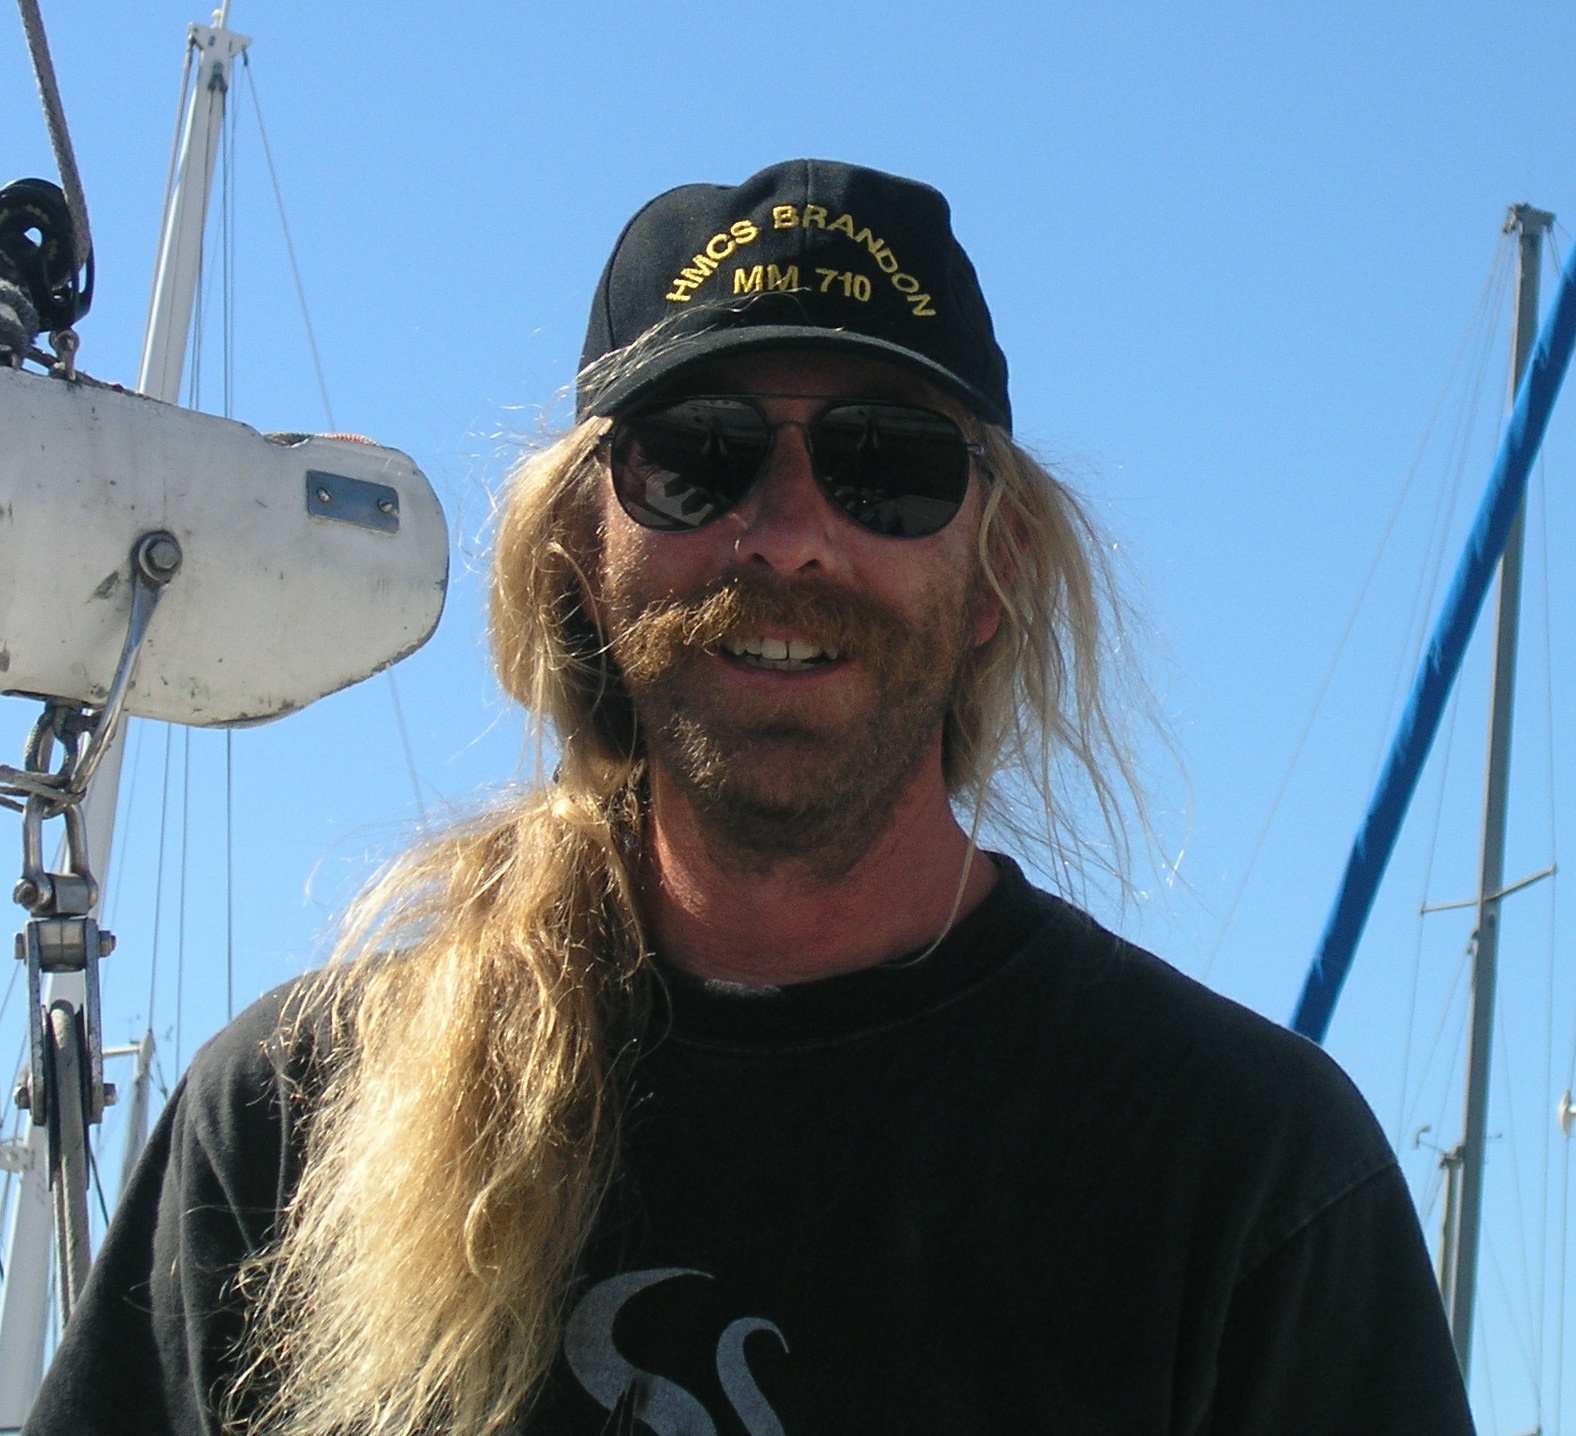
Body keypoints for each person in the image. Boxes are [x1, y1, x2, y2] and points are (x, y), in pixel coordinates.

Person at [27, 159, 1473, 1436]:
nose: (786, 537)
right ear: (581, 559)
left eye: (887, 468)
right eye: (695, 460)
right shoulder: (294, 1125)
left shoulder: (1243, 1182)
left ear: (997, 574)